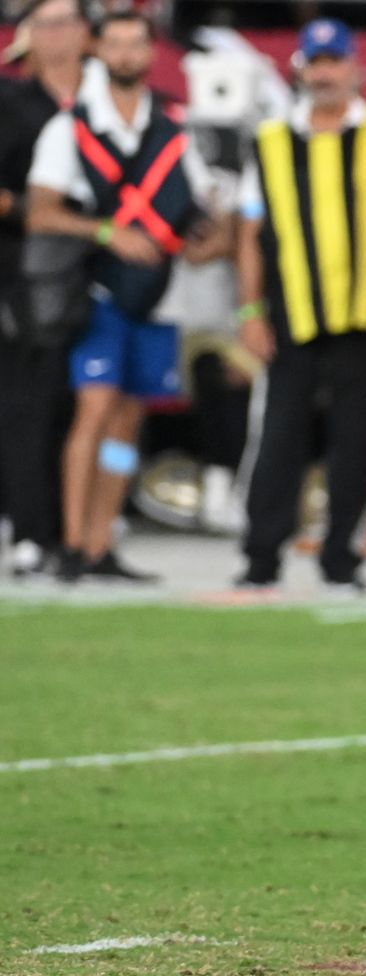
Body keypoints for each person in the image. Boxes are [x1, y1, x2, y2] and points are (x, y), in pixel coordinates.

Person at [25, 9, 218, 583]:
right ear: (98, 51)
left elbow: (208, 212)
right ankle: (71, 542)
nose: (128, 55)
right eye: (116, 44)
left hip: (159, 298)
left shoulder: (174, 126)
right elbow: (41, 212)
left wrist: (205, 239)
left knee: (128, 422)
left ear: (152, 52)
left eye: (137, 44)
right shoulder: (72, 127)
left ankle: (104, 540)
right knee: (94, 409)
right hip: (101, 291)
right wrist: (109, 232)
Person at [231, 20, 366, 592]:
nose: (324, 72)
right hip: (291, 316)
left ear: (354, 67)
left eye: (333, 61)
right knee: (278, 441)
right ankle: (260, 558)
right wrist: (249, 312)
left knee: (356, 444)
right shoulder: (271, 140)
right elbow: (248, 232)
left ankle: (341, 557)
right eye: (315, 61)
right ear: (300, 68)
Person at [0, 0, 89, 577]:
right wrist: (40, 211)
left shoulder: (105, 104)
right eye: (45, 23)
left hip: (97, 271)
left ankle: (85, 531)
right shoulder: (8, 102)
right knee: (27, 402)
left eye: (65, 21)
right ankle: (30, 527)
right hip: (22, 271)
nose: (56, 35)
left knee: (92, 404)